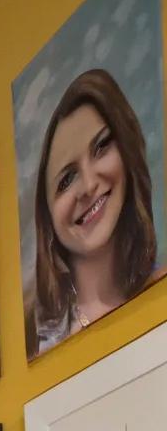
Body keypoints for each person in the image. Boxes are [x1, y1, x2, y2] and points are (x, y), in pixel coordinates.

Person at [30, 68, 160, 356]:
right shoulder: (42, 343)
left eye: (101, 147)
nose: (89, 185)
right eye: (66, 180)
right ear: (47, 216)